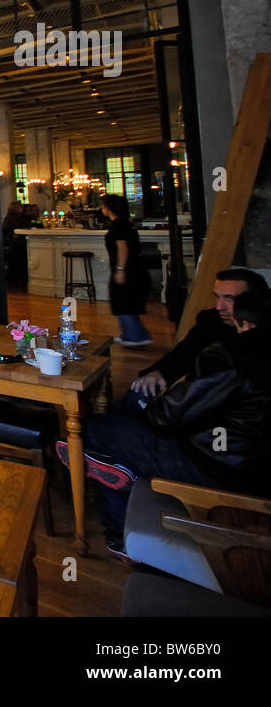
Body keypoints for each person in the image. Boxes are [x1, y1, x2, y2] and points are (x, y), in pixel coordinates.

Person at [69, 289, 271, 559]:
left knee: (93, 428)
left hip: (218, 469)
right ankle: (120, 468)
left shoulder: (233, 355)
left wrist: (153, 406)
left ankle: (121, 534)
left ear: (244, 324)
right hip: (249, 465)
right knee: (122, 419)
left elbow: (165, 417)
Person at [129, 268, 270, 397]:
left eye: (229, 298)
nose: (219, 306)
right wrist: (158, 371)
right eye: (217, 296)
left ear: (253, 301)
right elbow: (186, 351)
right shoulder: (212, 319)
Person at [101, 193, 154, 348]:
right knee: (126, 301)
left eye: (104, 205)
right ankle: (132, 334)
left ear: (109, 208)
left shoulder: (119, 225)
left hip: (129, 270)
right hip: (135, 269)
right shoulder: (125, 223)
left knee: (123, 301)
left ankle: (135, 336)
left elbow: (122, 248)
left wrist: (120, 269)